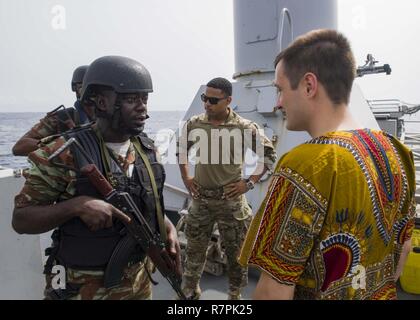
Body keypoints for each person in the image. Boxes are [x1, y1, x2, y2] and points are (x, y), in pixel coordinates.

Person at [238, 29, 417, 300]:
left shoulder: (306, 165)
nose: (278, 103)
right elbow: (402, 250)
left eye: (281, 89)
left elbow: (274, 291)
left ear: (309, 86)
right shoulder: (397, 150)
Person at [12, 55, 181, 300]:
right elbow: (21, 219)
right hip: (81, 287)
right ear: (102, 102)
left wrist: (168, 228)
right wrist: (77, 206)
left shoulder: (147, 150)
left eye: (144, 98)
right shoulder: (64, 152)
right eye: (131, 99)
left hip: (138, 282)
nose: (142, 106)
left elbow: (145, 202)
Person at [177, 77, 277, 300]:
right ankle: (190, 290)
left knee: (236, 255)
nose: (207, 104)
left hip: (231, 203)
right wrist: (186, 177)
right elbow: (181, 149)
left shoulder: (244, 128)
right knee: (194, 251)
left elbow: (269, 156)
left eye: (213, 100)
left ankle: (235, 295)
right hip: (201, 200)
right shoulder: (195, 124)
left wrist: (248, 183)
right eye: (205, 98)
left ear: (228, 100)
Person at [12, 65, 96, 156]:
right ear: (75, 89)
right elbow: (19, 147)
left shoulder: (109, 118)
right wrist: (61, 144)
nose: (87, 94)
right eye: (82, 88)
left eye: (93, 90)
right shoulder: (61, 118)